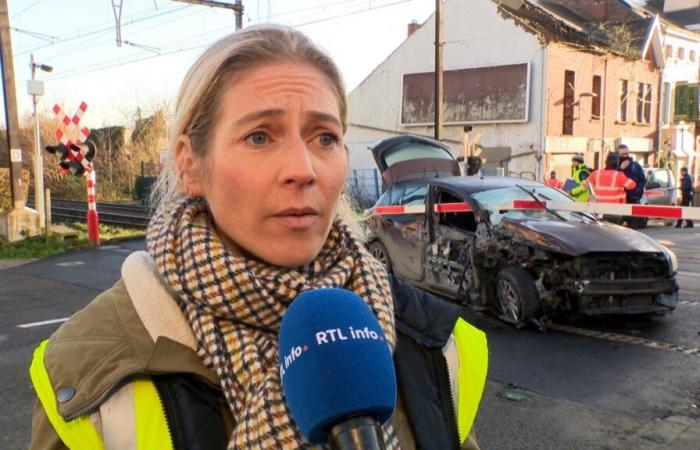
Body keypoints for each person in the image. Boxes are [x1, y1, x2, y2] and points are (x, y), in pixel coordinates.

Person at [28, 25, 487, 450]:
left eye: (324, 138)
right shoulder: (89, 376)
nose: (302, 170)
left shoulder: (432, 339)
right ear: (190, 164)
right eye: (260, 136)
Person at [617, 144, 646, 228]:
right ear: (618, 154)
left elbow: (642, 180)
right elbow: (611, 176)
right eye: (623, 154)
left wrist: (637, 190)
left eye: (627, 153)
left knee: (633, 227)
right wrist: (620, 168)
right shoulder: (615, 165)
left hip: (633, 199)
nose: (625, 156)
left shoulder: (635, 165)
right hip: (618, 201)